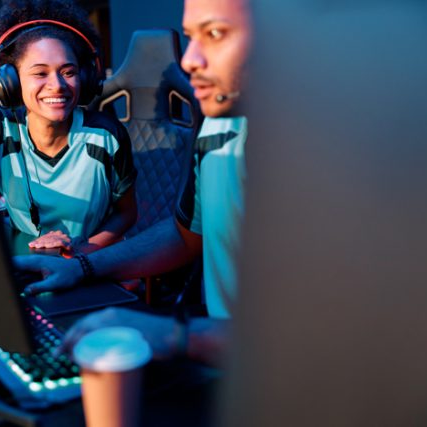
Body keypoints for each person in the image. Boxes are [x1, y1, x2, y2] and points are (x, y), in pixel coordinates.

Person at [15, 0, 251, 366]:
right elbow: (186, 235)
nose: (190, 59)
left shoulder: (330, 158)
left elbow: (322, 341)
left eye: (216, 33)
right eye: (191, 36)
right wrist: (82, 267)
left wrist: (176, 335)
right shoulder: (217, 127)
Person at [0, 0, 137, 253]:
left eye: (68, 72)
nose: (58, 85)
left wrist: (79, 251)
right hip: (25, 263)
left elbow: (126, 214)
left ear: (85, 77)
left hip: (88, 262)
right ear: (11, 83)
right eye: (40, 73)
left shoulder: (106, 136)